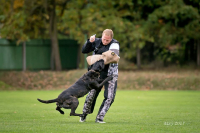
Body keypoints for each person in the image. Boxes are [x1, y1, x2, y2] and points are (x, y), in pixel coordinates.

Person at [80, 29, 120, 123]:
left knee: (109, 97)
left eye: (108, 40)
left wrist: (94, 58)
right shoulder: (96, 41)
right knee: (91, 95)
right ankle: (84, 115)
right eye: (104, 39)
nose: (105, 42)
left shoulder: (115, 44)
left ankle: (99, 118)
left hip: (111, 74)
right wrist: (89, 42)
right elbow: (84, 51)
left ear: (111, 39)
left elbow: (112, 57)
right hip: (96, 74)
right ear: (101, 36)